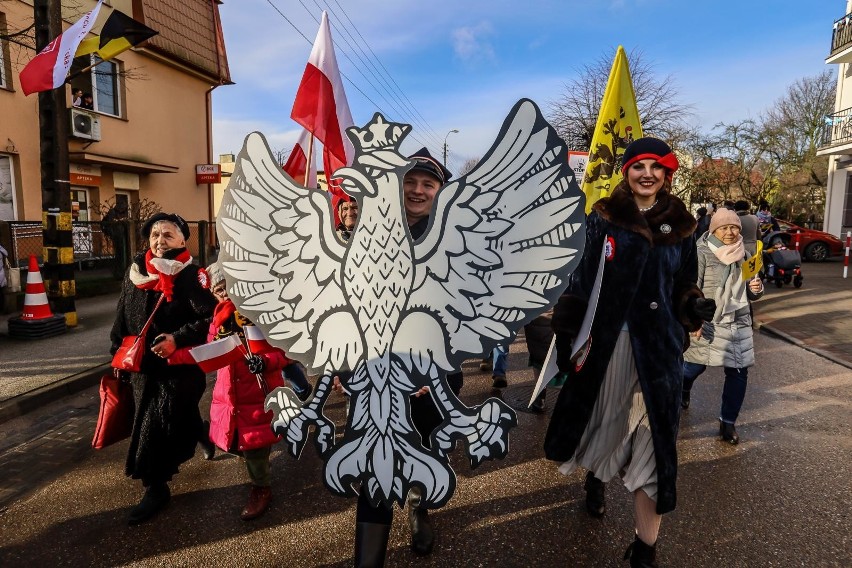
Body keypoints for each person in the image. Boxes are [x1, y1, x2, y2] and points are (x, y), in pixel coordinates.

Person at [543, 138, 715, 568]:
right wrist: (566, 334)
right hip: (609, 345)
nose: (647, 174)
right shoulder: (602, 218)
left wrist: (693, 305)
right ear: (626, 172)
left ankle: (645, 548)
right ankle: (596, 477)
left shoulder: (682, 224)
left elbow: (684, 283)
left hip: (658, 352)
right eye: (639, 166)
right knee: (602, 425)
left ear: (667, 175)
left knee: (655, 444)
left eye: (656, 167)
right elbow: (580, 281)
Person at [353, 148, 464, 566]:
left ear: (439, 191)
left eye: (428, 184)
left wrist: (429, 373)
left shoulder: (454, 240)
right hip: (377, 373)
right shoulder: (367, 235)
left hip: (433, 376)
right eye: (410, 181)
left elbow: (459, 316)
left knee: (428, 447)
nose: (418, 190)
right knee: (374, 464)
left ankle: (420, 509)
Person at [110, 213, 217, 525]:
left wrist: (177, 338)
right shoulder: (135, 273)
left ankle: (155, 487)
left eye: (168, 235)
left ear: (183, 240)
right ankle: (204, 435)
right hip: (141, 366)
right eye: (155, 234)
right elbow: (120, 315)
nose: (160, 241)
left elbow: (211, 317)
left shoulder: (192, 276)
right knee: (176, 415)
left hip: (177, 368)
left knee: (154, 425)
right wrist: (116, 353)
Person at [168, 262, 290, 520]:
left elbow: (286, 351)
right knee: (240, 442)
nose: (223, 295)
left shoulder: (262, 311)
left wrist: (266, 361)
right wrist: (174, 357)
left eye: (227, 288)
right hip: (230, 392)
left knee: (255, 447)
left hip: (259, 392)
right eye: (218, 291)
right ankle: (259, 468)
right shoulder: (219, 314)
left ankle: (261, 488)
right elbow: (209, 349)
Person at [681, 209, 764, 445]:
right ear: (713, 229)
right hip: (708, 320)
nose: (730, 232)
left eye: (734, 227)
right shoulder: (700, 252)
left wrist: (756, 289)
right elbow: (690, 288)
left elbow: (752, 290)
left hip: (738, 322)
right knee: (693, 368)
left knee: (738, 373)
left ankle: (728, 422)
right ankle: (684, 390)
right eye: (724, 228)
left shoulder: (746, 253)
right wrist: (692, 319)